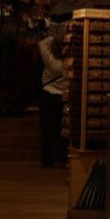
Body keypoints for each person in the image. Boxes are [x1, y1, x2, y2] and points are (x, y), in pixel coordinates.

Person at [37, 23, 67, 167]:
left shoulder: (48, 59)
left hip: (47, 95)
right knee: (61, 130)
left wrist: (54, 35)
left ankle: (47, 160)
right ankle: (62, 157)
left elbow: (42, 43)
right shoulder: (68, 61)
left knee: (46, 130)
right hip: (62, 97)